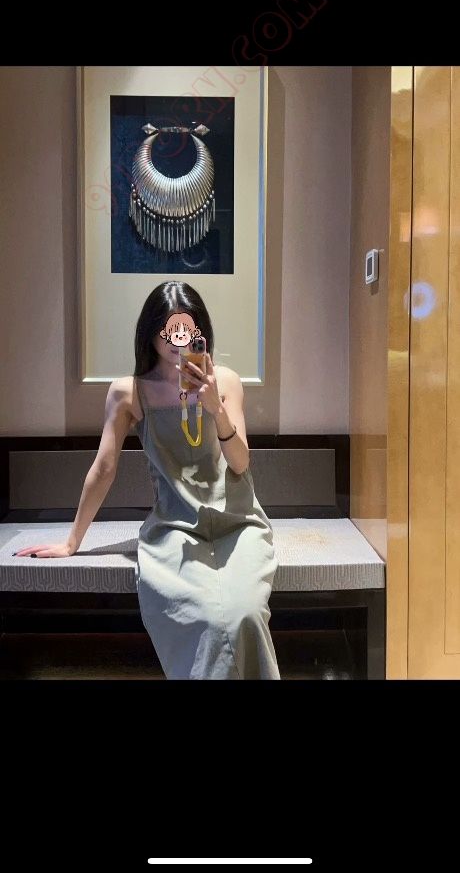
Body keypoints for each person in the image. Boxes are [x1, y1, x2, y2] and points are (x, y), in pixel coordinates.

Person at [15, 280, 281, 680]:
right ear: (151, 334)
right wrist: (72, 542)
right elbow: (104, 468)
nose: (177, 342)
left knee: (245, 612)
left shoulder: (225, 381)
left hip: (237, 520)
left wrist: (216, 409)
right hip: (175, 526)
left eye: (187, 331)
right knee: (206, 616)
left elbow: (241, 464)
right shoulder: (129, 393)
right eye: (168, 332)